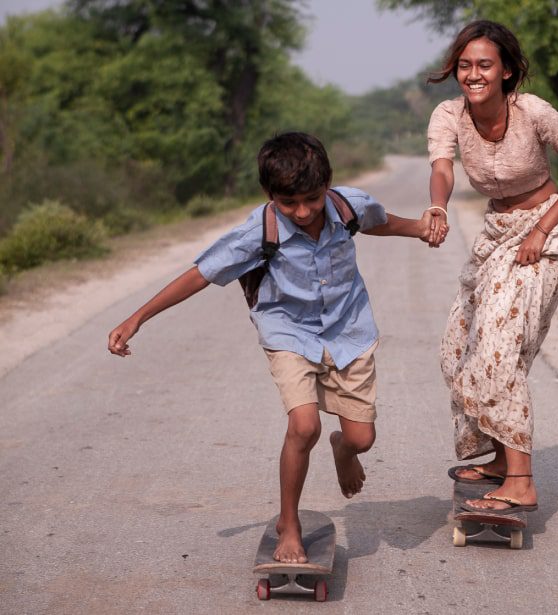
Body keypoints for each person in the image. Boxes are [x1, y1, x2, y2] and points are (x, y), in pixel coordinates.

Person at [107, 132, 447, 563]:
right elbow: (201, 274)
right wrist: (137, 317)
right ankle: (290, 522)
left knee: (362, 437)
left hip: (349, 330)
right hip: (288, 332)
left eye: (311, 199)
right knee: (304, 426)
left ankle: (343, 449)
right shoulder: (258, 232)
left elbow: (380, 221)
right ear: (270, 196)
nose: (302, 212)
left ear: (327, 186)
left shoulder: (347, 206)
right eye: (289, 204)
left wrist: (420, 229)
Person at [425, 20, 558, 513]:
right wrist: (437, 207)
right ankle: (499, 459)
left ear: (506, 71)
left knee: (499, 347)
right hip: (497, 235)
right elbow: (442, 167)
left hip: (548, 235)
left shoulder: (534, 111)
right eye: (465, 65)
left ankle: (520, 481)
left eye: (485, 65)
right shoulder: (449, 115)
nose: (473, 74)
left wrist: (543, 228)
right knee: (457, 345)